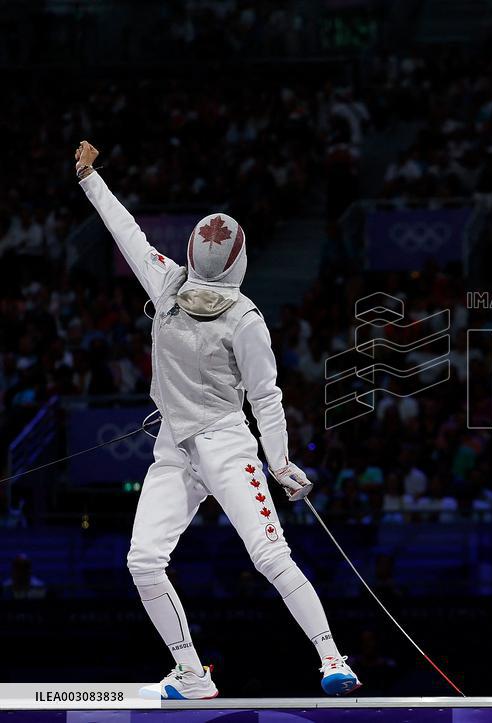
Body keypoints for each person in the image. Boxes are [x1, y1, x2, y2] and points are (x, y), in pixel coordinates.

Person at [73, 141, 359, 699]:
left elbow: (264, 394)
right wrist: (89, 180)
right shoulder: (174, 287)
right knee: (144, 560)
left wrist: (277, 462)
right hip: (175, 450)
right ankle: (191, 673)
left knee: (270, 555)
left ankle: (332, 659)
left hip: (226, 446)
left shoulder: (211, 302)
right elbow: (270, 395)